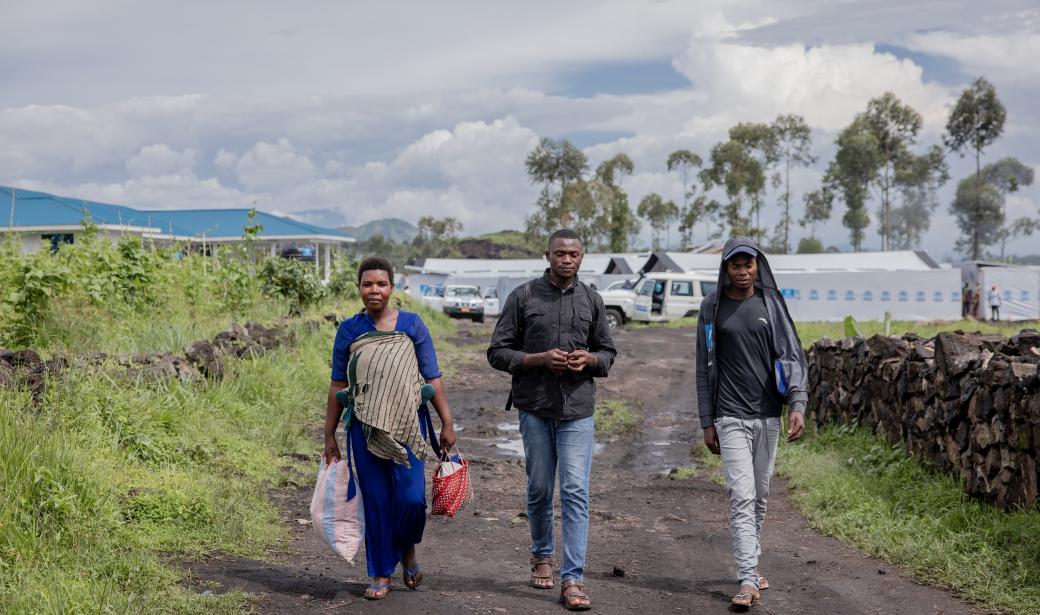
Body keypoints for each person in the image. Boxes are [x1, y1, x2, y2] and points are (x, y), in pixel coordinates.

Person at [487, 229, 616, 612]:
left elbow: (607, 352)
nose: (567, 260)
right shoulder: (524, 296)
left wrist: (589, 360)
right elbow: (497, 351)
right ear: (548, 255)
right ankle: (541, 554)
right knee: (541, 487)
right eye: (560, 253)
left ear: (582, 256)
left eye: (574, 254)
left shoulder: (592, 299)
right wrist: (538, 359)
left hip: (578, 410)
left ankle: (572, 578)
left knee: (575, 491)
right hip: (534, 407)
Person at [323, 256, 456, 600]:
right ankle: (381, 572)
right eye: (367, 284)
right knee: (378, 501)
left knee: (411, 500)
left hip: (410, 426)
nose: (374, 290)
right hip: (365, 431)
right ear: (359, 288)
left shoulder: (412, 325)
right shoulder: (350, 330)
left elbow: (433, 377)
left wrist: (447, 422)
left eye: (381, 284)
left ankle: (408, 549)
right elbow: (338, 384)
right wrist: (329, 434)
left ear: (392, 288)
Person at [695, 237, 808, 608]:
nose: (743, 272)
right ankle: (747, 578)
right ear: (724, 268)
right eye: (735, 265)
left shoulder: (771, 304)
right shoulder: (711, 308)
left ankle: (751, 563)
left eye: (749, 265)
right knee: (741, 496)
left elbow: (791, 355)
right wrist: (706, 420)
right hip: (729, 416)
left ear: (758, 266)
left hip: (767, 415)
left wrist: (798, 403)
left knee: (759, 497)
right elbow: (703, 366)